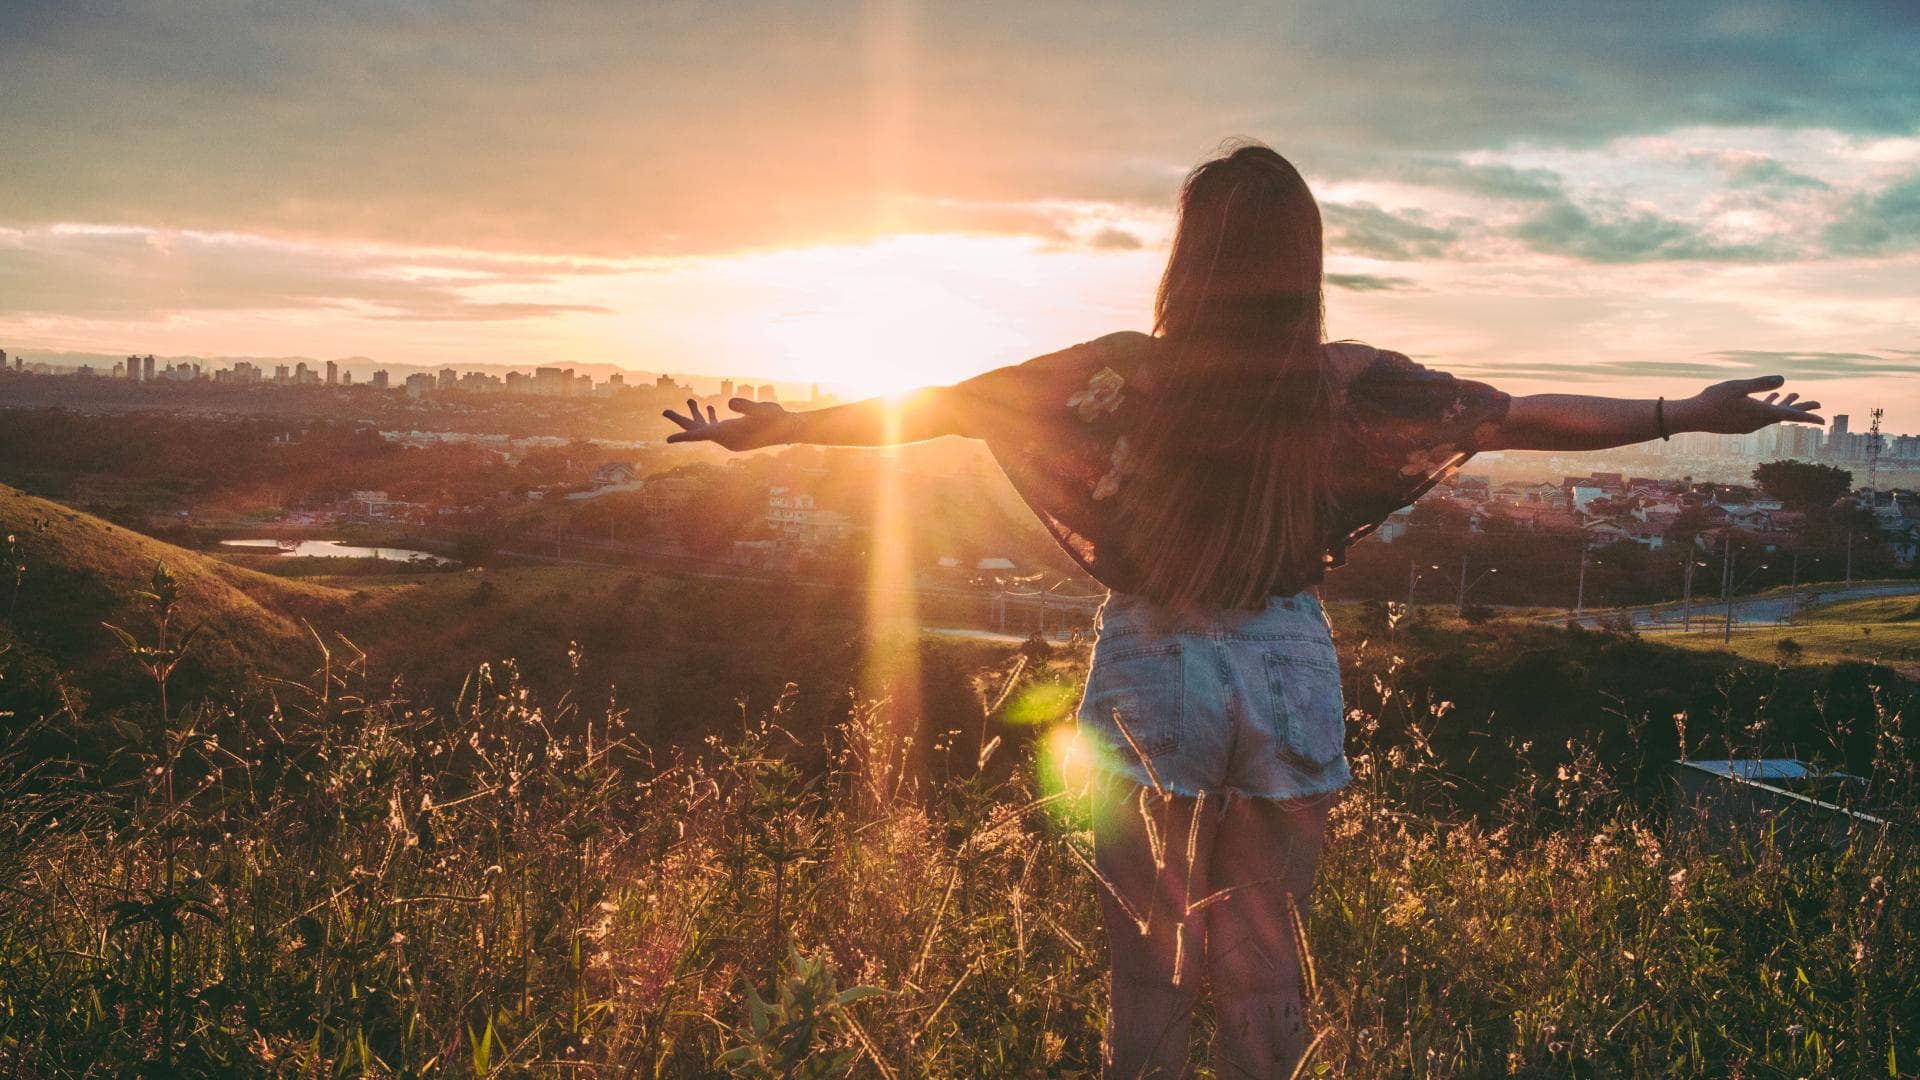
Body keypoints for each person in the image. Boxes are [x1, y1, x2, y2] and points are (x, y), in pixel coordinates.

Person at [662, 141, 1823, 1078]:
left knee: (1150, 966)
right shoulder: (1345, 379)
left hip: (1153, 657)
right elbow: (1516, 414)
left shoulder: (1122, 371)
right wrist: (1684, 409)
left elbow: (941, 407)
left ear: (1190, 255)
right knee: (1268, 964)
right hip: (1287, 665)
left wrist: (778, 429)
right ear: (1300, 258)